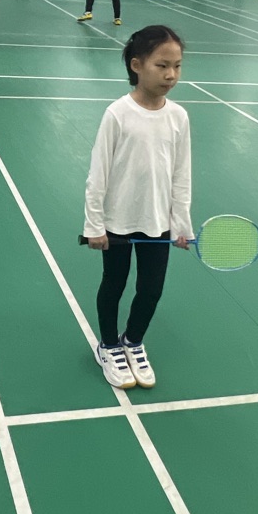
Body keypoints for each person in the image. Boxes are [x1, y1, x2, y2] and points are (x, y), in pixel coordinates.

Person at [81, 25, 193, 390]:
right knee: (114, 284)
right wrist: (94, 225)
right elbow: (98, 175)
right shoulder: (118, 114)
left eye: (177, 66)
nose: (171, 75)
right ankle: (108, 345)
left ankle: (132, 341)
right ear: (136, 65)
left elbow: (182, 175)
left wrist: (181, 224)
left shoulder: (178, 117)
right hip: (117, 221)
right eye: (162, 65)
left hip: (158, 222)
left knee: (151, 289)